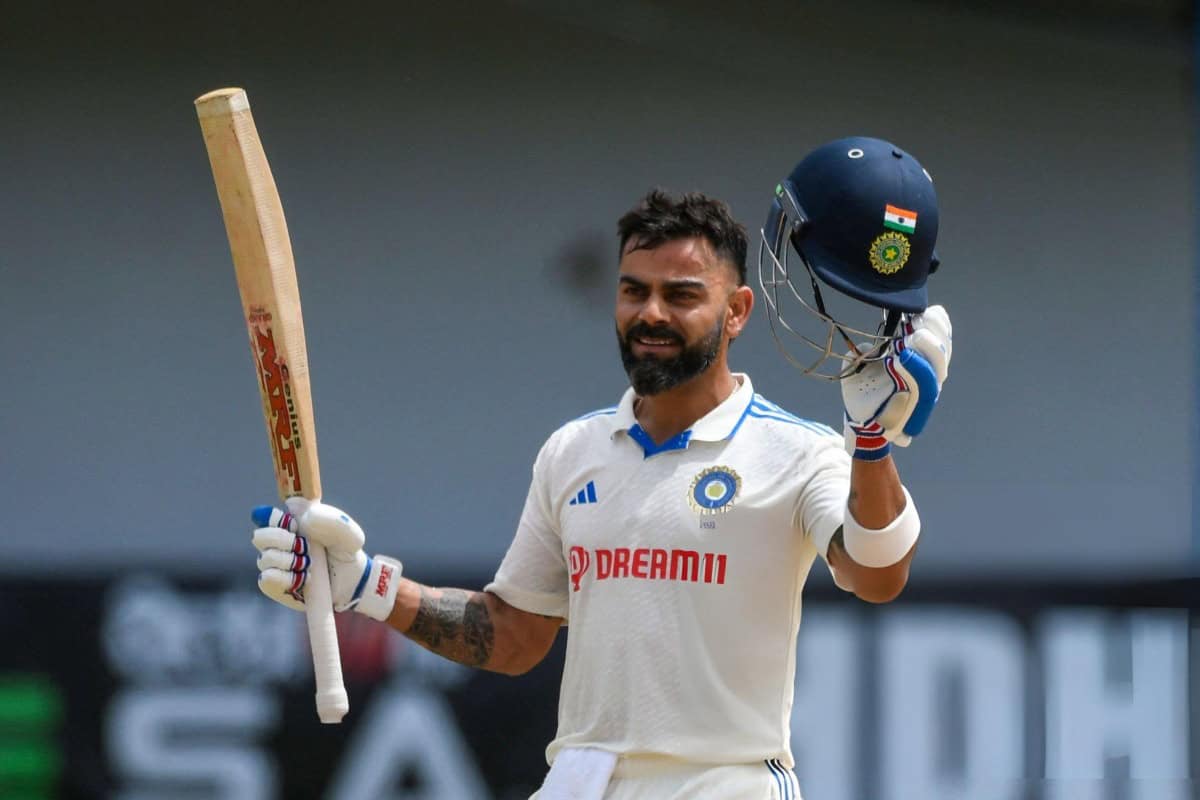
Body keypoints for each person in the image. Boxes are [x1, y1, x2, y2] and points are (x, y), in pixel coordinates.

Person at [251, 136, 952, 800]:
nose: (650, 314)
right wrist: (363, 583)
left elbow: (875, 572)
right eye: (632, 291)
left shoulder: (796, 452)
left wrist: (870, 442)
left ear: (736, 311)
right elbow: (514, 635)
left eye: (680, 295)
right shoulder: (573, 451)